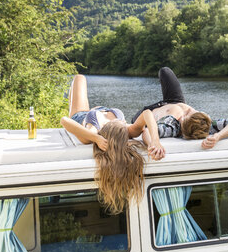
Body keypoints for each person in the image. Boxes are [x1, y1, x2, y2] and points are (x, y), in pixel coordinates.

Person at [60, 74, 164, 214]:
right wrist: (155, 141)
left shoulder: (92, 132)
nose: (123, 122)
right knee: (80, 78)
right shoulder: (127, 130)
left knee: (79, 78)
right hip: (102, 111)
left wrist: (95, 138)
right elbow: (147, 113)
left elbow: (65, 121)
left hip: (82, 116)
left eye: (122, 123)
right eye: (122, 123)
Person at [132, 67, 228, 149]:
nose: (189, 109)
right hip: (175, 100)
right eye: (193, 111)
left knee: (134, 123)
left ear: (183, 121)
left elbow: (146, 131)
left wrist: (153, 144)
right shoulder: (208, 126)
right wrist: (218, 136)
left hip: (153, 110)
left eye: (188, 112)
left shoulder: (172, 128)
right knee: (165, 71)